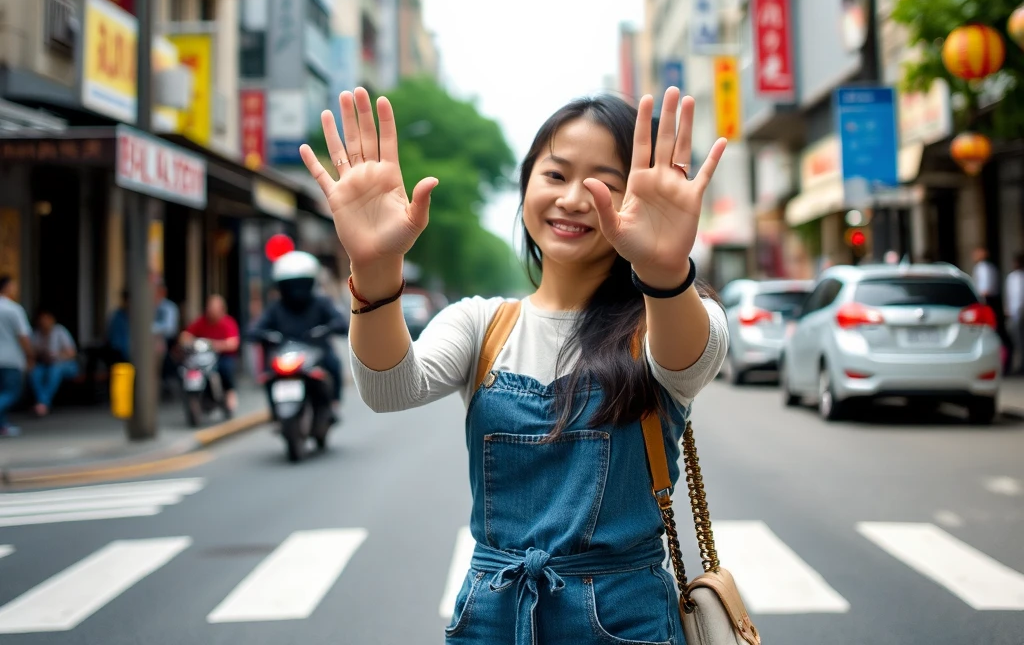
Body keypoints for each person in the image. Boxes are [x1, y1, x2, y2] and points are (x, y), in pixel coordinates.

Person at [300, 86, 729, 645]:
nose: (574, 198)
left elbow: (685, 352)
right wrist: (375, 267)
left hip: (628, 625)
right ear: (525, 185)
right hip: (492, 621)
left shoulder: (668, 319)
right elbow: (389, 388)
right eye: (555, 174)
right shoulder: (480, 323)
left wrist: (667, 269)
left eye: (604, 181)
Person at [248, 251, 349, 411]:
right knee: (269, 375)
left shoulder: (321, 303)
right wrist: (261, 334)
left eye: (300, 284)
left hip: (317, 351)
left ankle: (333, 402)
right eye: (290, 285)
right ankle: (274, 410)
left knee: (333, 365)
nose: (295, 290)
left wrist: (328, 329)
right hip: (285, 352)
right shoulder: (276, 307)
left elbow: (340, 321)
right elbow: (257, 327)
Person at [179, 295, 240, 415]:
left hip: (221, 356)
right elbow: (186, 334)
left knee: (225, 369)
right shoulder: (201, 322)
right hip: (203, 356)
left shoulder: (228, 323)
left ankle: (228, 393)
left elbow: (233, 343)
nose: (211, 313)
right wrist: (187, 341)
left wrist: (215, 345)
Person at [0, 275, 32, 438]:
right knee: (12, 392)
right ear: (7, 287)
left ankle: (3, 425)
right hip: (10, 358)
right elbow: (23, 336)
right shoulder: (13, 309)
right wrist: (30, 356)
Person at [28, 310, 78, 416]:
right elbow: (33, 353)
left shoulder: (60, 331)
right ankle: (43, 403)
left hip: (64, 365)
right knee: (35, 372)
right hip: (45, 364)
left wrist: (56, 356)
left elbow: (71, 353)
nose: (43, 322)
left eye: (46, 319)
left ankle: (42, 403)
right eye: (41, 320)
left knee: (55, 370)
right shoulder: (37, 334)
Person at [973, 247, 1012, 374]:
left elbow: (985, 290)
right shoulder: (986, 268)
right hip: (989, 304)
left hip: (988, 305)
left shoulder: (984, 268)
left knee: (995, 335)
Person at [152, 280, 180, 392]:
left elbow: (169, 329)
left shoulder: (169, 308)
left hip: (165, 342)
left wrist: (152, 330)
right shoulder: (147, 306)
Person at [1005, 252, 1024, 375]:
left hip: (1022, 312)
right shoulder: (1011, 277)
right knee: (1015, 339)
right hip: (1013, 313)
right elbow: (1009, 295)